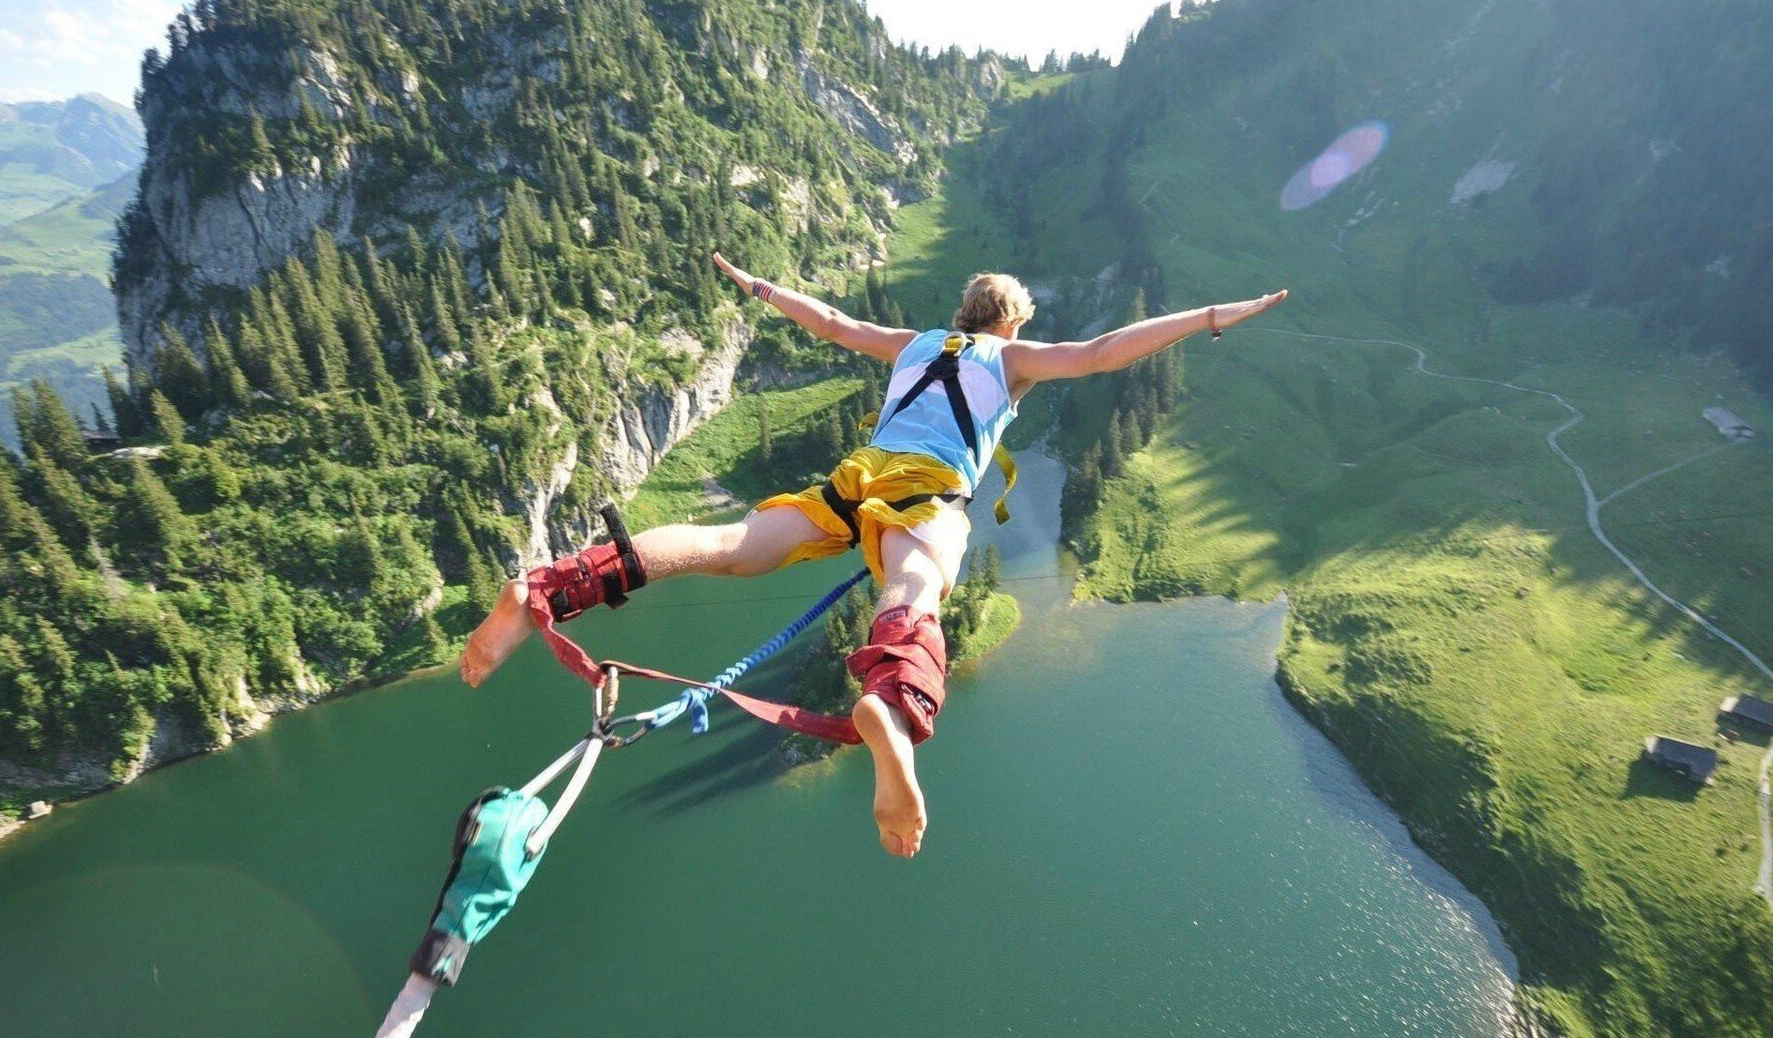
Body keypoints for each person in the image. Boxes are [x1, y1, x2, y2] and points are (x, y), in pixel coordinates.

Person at [460, 254, 1287, 858]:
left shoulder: (915, 342)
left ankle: (548, 588)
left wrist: (761, 287)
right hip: (926, 490)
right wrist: (1211, 316)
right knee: (917, 583)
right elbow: (1106, 351)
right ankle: (888, 702)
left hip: (857, 477)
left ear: (961, 312)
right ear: (1011, 322)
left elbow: (830, 322)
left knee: (732, 545)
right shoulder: (1012, 358)